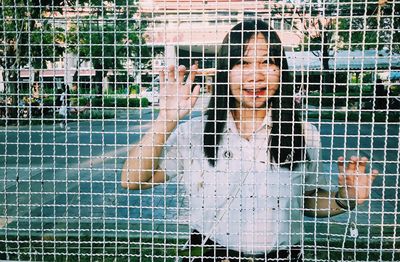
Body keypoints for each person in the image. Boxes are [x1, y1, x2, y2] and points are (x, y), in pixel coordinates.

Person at [121, 20, 378, 262]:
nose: (255, 76)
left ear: (281, 70)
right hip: (209, 252)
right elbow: (132, 180)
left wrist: (346, 199)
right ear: (226, 71)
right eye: (243, 63)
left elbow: (305, 201)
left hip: (283, 254)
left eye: (267, 62)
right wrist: (166, 119)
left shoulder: (304, 133)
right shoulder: (195, 132)